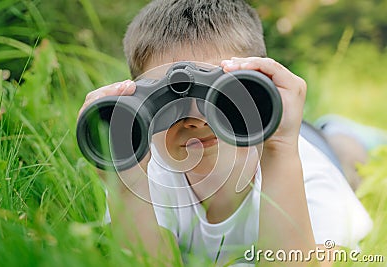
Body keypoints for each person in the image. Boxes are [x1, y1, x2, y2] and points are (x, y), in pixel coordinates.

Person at [78, 1, 375, 266]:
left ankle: (341, 128)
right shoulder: (148, 173)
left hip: (318, 146)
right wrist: (126, 183)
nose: (195, 119)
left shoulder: (308, 174)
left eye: (223, 97)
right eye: (170, 103)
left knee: (350, 157)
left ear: (256, 94)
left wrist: (282, 150)